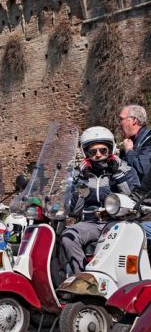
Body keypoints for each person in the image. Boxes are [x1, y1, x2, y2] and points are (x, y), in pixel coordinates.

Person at [61, 126, 139, 275]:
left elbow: (134, 198)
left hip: (118, 223)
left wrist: (117, 174)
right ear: (86, 153)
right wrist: (82, 181)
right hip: (90, 223)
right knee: (67, 237)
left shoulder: (125, 169)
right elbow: (74, 210)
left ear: (110, 149)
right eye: (93, 151)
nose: (98, 154)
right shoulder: (79, 175)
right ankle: (82, 278)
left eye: (103, 150)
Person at [119, 104, 151, 181]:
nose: (119, 123)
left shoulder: (149, 140)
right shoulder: (132, 140)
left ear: (134, 120)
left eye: (121, 119)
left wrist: (129, 151)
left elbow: (143, 171)